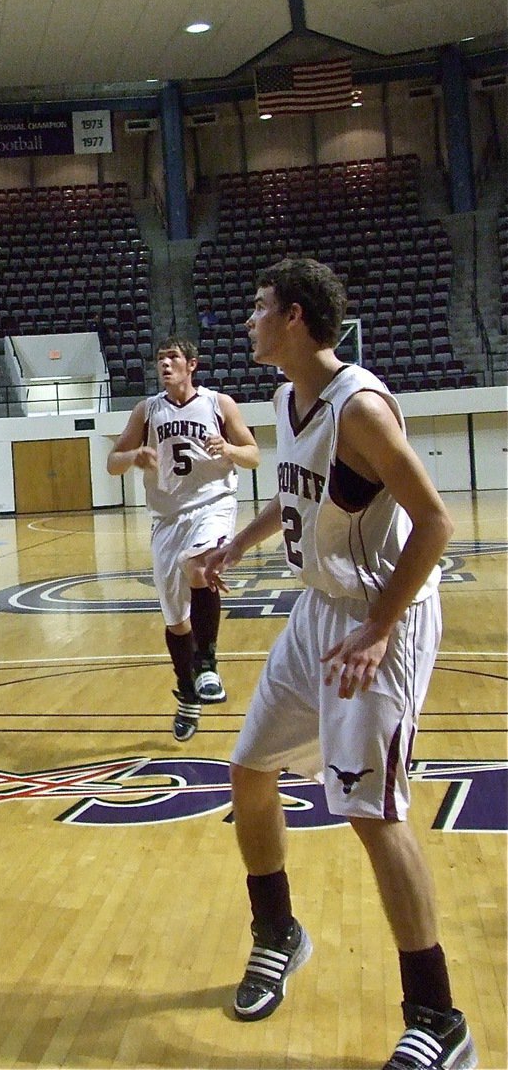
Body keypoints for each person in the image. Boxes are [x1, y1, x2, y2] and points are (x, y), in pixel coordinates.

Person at [201, 258, 474, 1069]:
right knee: (247, 771)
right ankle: (277, 932)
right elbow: (295, 496)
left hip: (377, 618)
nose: (246, 319)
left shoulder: (358, 407)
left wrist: (382, 626)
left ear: (292, 316)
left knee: (370, 810)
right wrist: (238, 545)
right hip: (318, 610)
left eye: (256, 305)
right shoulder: (289, 397)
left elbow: (433, 523)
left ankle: (437, 1016)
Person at [106, 336, 259, 742]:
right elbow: (112, 463)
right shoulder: (147, 410)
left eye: (172, 357)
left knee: (199, 565)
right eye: (159, 358)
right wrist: (134, 457)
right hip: (167, 517)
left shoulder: (218, 404)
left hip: (213, 504)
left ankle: (207, 664)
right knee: (175, 621)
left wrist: (227, 447)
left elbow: (253, 454)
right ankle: (189, 692)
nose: (164, 363)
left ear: (193, 364)